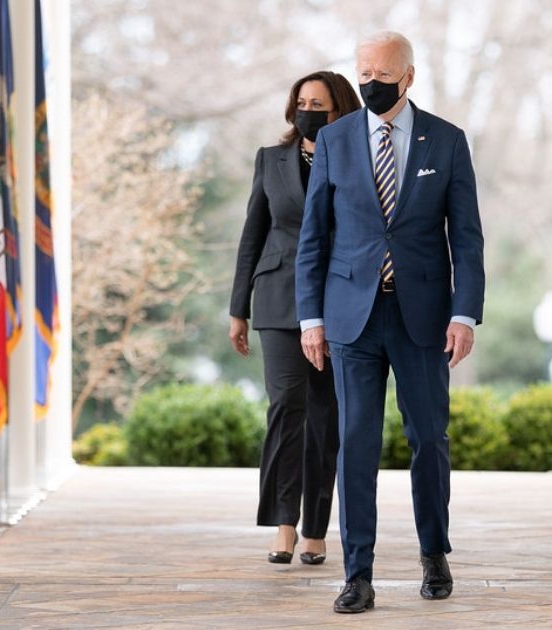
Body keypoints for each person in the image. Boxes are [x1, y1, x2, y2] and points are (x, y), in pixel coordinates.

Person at [295, 31, 485, 613]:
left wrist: (464, 313)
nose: (367, 81)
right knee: (355, 444)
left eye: (379, 72)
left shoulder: (446, 142)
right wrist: (311, 318)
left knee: (428, 438)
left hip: (423, 317)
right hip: (352, 317)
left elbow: (468, 238)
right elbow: (314, 237)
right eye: (361, 71)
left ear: (407, 77)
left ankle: (434, 552)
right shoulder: (334, 139)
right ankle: (358, 573)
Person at [229, 71, 362, 566]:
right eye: (301, 101)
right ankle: (283, 523)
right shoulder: (271, 159)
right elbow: (252, 235)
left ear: (339, 111)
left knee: (326, 415)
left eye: (319, 104)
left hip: (340, 298)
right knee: (288, 406)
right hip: (278, 298)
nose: (307, 110)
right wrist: (237, 308)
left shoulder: (356, 154)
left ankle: (316, 528)